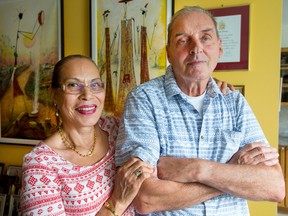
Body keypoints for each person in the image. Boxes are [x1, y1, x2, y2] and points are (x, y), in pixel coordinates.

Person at [115, 6, 285, 216]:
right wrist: (232, 170)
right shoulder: (143, 100)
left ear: (219, 48)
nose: (196, 48)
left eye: (206, 38)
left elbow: (274, 186)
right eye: (183, 40)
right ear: (168, 52)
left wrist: (197, 169)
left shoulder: (234, 102)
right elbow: (145, 197)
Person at [20, 55, 154, 215]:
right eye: (73, 85)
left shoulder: (118, 129)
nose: (87, 94)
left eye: (95, 84)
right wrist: (117, 201)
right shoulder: (40, 165)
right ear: (54, 94)